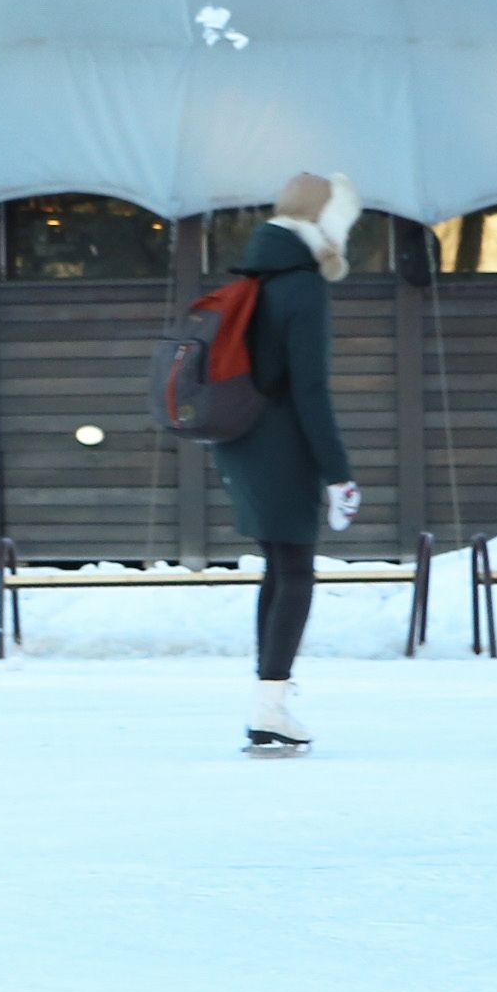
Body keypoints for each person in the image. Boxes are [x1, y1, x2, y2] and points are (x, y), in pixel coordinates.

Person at [210, 172, 362, 756]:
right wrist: (338, 474)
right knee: (295, 572)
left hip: (245, 440)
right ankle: (269, 707)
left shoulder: (257, 274)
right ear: (326, 224)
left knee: (280, 569)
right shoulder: (301, 286)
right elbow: (311, 391)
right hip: (283, 445)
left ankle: (268, 702)